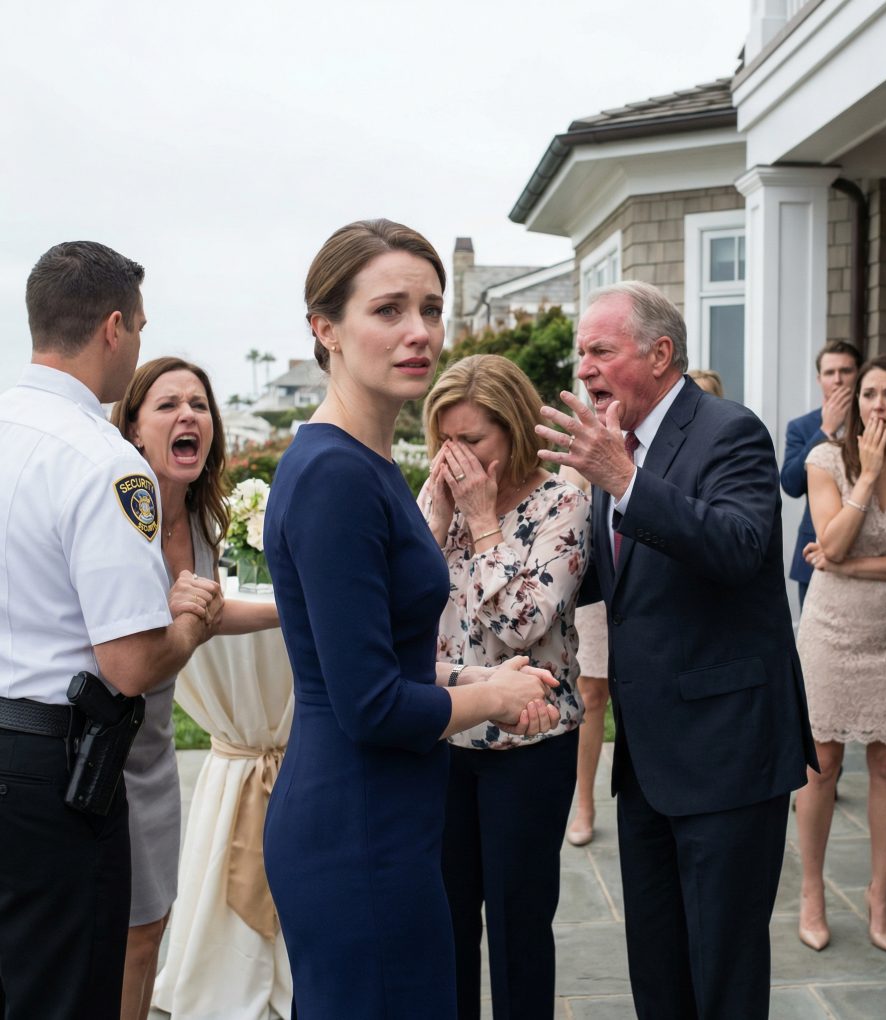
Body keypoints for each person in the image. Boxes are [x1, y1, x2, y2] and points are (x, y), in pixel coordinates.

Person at [261, 220, 561, 1019]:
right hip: (357, 827)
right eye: (389, 310)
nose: (419, 332)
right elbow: (367, 703)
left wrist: (473, 674)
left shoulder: (374, 462)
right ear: (325, 329)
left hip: (388, 816)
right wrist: (492, 701)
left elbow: (376, 659)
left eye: (430, 308)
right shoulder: (334, 475)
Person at [536, 280, 816, 1020]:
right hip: (651, 759)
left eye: (601, 350)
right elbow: (609, 575)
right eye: (581, 353)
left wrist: (622, 479)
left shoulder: (730, 431)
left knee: (722, 968)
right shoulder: (614, 446)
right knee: (656, 964)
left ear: (661, 354)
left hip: (727, 754)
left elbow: (738, 546)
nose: (585, 367)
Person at [0, 241, 222, 1018]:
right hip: (50, 766)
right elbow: (130, 665)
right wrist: (190, 625)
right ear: (115, 327)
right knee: (65, 987)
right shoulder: (105, 461)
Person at [418, 354, 590, 1019]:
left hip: (530, 743)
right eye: (445, 440)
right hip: (447, 733)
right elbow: (403, 612)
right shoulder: (435, 501)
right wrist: (433, 528)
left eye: (472, 440)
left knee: (519, 925)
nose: (453, 457)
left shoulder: (563, 502)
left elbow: (524, 624)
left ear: (514, 430)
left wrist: (484, 520)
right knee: (448, 920)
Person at [110, 357, 280, 1020]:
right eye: (167, 404)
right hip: (91, 747)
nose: (188, 416)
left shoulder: (206, 522)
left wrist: (293, 611)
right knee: (111, 934)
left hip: (150, 754)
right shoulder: (122, 513)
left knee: (148, 930)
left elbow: (205, 615)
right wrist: (185, 617)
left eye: (199, 405)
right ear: (132, 430)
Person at [793, 353, 886, 955]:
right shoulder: (824, 460)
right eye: (869, 393)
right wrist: (867, 476)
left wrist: (851, 564)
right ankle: (813, 893)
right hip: (830, 629)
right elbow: (831, 540)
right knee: (821, 763)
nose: (876, 405)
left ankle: (880, 894)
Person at [781, 341, 862, 606]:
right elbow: (791, 485)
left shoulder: (875, 418)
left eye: (846, 371)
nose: (837, 380)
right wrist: (825, 431)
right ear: (819, 379)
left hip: (868, 550)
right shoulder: (802, 427)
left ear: (859, 373)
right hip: (815, 552)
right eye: (829, 373)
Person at [559, 465, 610, 849]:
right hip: (596, 585)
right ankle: (585, 804)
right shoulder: (585, 445)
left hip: (644, 578)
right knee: (591, 694)